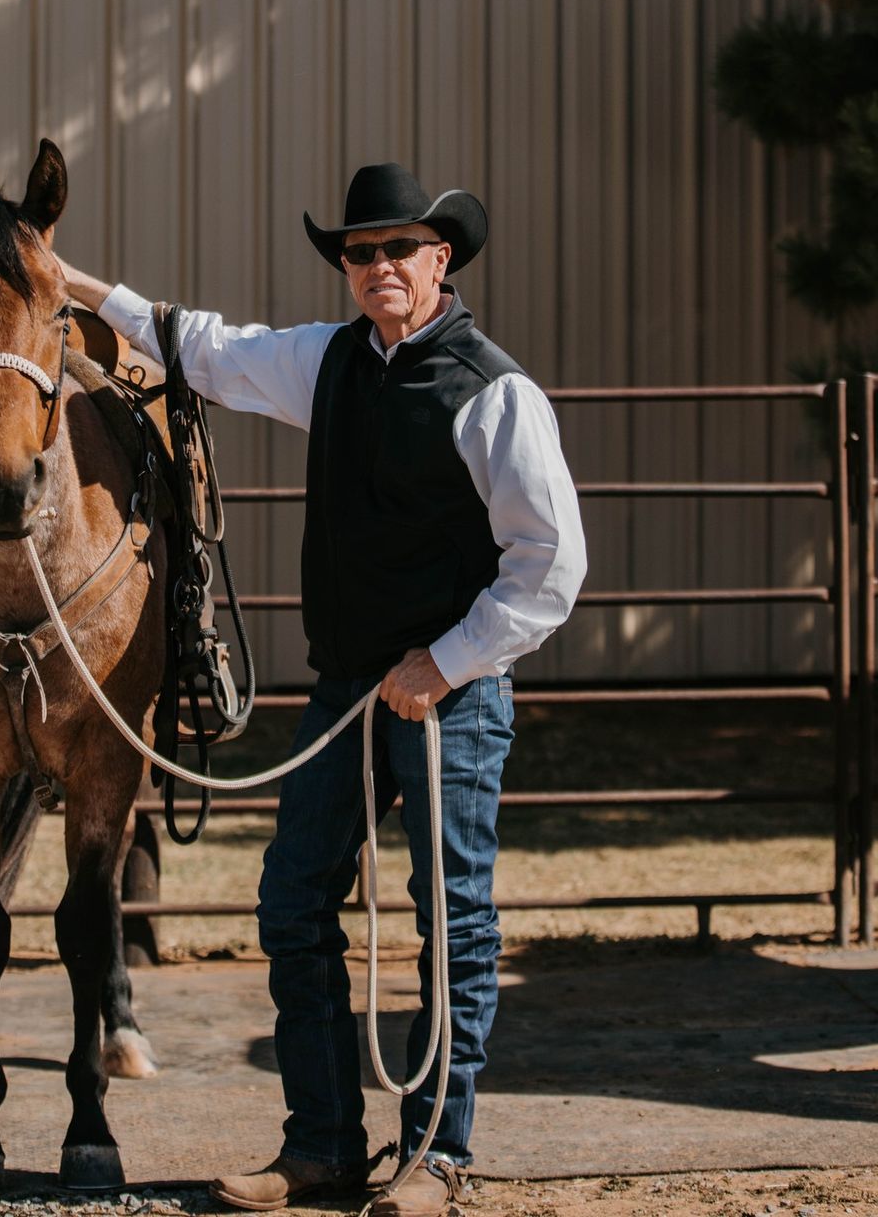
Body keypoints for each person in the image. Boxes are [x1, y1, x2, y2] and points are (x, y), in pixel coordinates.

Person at [56, 163, 586, 1217]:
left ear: (441, 259)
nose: (380, 266)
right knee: (295, 902)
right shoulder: (328, 364)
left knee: (456, 919)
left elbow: (550, 565)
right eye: (361, 252)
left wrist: (445, 662)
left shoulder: (494, 392)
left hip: (451, 692)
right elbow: (202, 345)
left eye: (400, 249)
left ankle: (435, 1154)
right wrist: (73, 284)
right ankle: (323, 1148)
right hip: (350, 682)